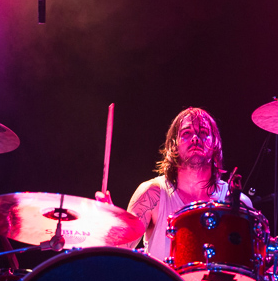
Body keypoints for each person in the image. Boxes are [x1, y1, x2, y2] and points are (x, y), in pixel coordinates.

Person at [97, 107, 252, 262]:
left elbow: (251, 266)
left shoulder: (238, 203)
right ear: (174, 145)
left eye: (203, 132)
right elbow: (119, 254)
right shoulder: (153, 194)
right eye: (186, 133)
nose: (195, 138)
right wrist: (110, 225)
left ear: (215, 144)